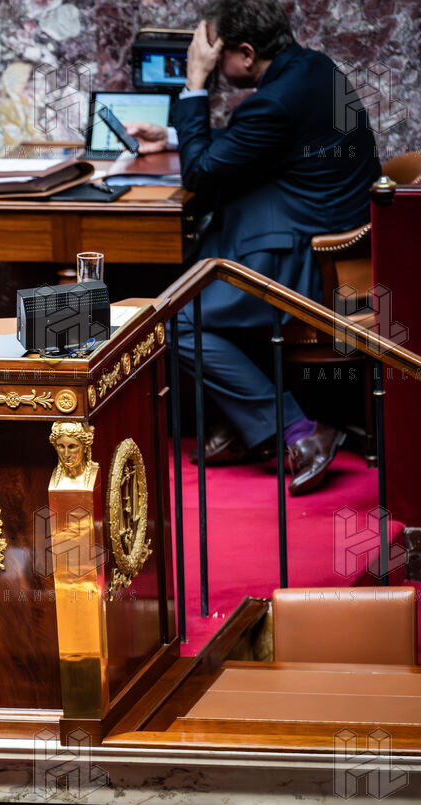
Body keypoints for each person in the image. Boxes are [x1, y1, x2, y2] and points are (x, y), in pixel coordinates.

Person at [122, 0, 379, 495]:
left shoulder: (274, 100)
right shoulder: (311, 67)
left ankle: (300, 430)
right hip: (318, 224)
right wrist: (174, 136)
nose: (209, 61)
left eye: (213, 53)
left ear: (244, 53)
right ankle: (246, 427)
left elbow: (201, 174)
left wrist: (194, 84)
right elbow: (262, 141)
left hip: (317, 254)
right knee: (196, 266)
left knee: (178, 321)